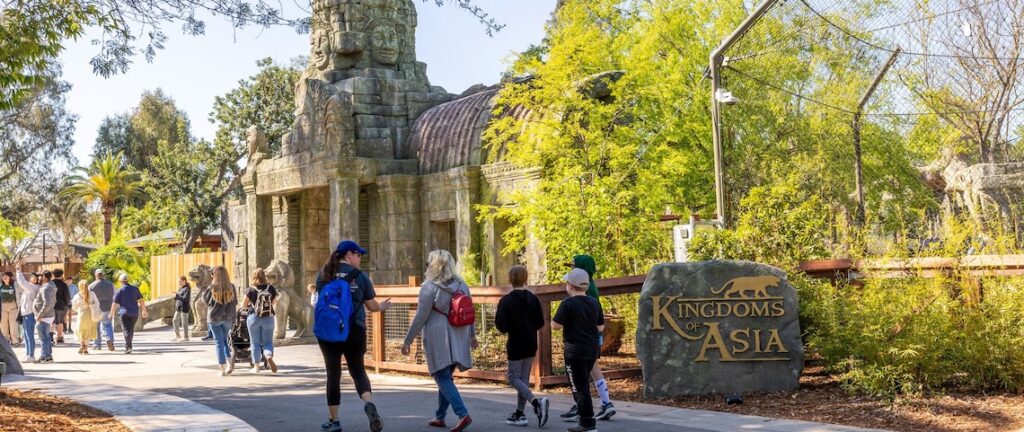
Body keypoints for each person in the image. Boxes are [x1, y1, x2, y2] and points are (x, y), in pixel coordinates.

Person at [315, 240, 391, 432]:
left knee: (333, 373)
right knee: (357, 369)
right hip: (355, 329)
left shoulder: (324, 274)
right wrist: (382, 307)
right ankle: (367, 402)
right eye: (359, 255)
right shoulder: (360, 277)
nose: (360, 258)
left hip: (329, 330)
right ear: (350, 254)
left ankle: (334, 421)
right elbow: (372, 306)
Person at [402, 249, 475, 432]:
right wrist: (472, 336)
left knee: (441, 375)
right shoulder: (462, 285)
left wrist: (407, 340)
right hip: (459, 334)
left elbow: (421, 317)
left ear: (433, 266)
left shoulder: (429, 287)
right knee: (446, 376)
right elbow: (469, 312)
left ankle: (462, 413)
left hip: (438, 335)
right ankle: (440, 417)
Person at [560, 255, 616, 422]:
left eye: (573, 266)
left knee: (581, 373)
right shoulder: (590, 285)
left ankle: (582, 406)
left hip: (583, 339)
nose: (571, 269)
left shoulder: (583, 291)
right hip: (593, 337)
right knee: (592, 368)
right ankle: (605, 402)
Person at [495, 265, 549, 427]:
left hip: (515, 343)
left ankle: (535, 402)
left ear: (510, 280)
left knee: (513, 378)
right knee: (523, 379)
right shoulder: (533, 299)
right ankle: (520, 413)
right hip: (531, 342)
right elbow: (540, 322)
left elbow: (501, 325)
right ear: (526, 279)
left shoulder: (506, 300)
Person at [552, 268, 604, 432]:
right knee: (583, 384)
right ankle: (586, 419)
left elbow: (555, 326)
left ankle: (587, 423)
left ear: (570, 285)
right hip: (592, 349)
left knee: (578, 387)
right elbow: (600, 326)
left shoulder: (567, 303)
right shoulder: (594, 302)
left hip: (575, 351)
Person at [241, 268, 278, 373]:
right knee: (267, 341)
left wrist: (251, 306)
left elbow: (243, 305)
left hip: (253, 317)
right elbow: (274, 301)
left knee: (254, 343)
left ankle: (256, 367)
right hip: (268, 318)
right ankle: (268, 355)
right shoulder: (270, 288)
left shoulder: (250, 289)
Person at [204, 266, 237, 376]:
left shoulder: (212, 287)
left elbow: (206, 301)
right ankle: (229, 362)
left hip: (214, 318)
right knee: (224, 341)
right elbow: (235, 302)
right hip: (228, 318)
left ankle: (222, 368)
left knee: (218, 342)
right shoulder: (231, 286)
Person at [109, 273, 147, 354]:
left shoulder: (119, 290)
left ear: (120, 281)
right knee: (130, 330)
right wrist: (144, 310)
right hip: (134, 312)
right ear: (128, 280)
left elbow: (114, 303)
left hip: (123, 312)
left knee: (126, 330)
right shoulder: (135, 289)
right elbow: (141, 300)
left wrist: (111, 314)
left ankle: (128, 347)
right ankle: (129, 346)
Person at [13, 269, 40, 362]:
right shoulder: (29, 288)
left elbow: (21, 282)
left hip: (29, 314)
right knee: (26, 335)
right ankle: (28, 354)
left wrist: (18, 271)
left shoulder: (33, 287)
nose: (31, 278)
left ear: (36, 280)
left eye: (34, 277)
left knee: (29, 335)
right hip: (26, 314)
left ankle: (31, 355)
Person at [30, 270, 56, 363]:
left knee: (43, 337)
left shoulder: (46, 288)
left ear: (44, 277)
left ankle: (46, 356)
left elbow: (48, 303)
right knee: (46, 337)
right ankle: (46, 355)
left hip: (44, 316)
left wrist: (40, 315)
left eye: (40, 276)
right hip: (46, 316)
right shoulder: (49, 286)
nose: (39, 278)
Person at [89, 269, 116, 351]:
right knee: (107, 325)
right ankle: (109, 339)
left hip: (96, 309)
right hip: (107, 307)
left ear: (95, 275)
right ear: (104, 275)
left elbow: (89, 298)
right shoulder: (111, 285)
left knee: (96, 327)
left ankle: (97, 344)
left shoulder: (91, 286)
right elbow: (115, 295)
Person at [71, 280, 101, 354]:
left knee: (81, 330)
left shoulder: (77, 296)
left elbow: (74, 307)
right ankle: (86, 349)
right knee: (88, 331)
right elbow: (97, 303)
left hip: (81, 314)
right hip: (91, 314)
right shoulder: (92, 294)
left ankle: (82, 344)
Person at [1, 272, 21, 346]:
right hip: (3, 307)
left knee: (13, 324)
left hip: (13, 307)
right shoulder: (1, 285)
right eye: (3, 276)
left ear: (10, 278)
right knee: (3, 325)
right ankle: (6, 341)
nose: (4, 277)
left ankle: (15, 341)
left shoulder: (14, 285)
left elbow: (20, 293)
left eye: (6, 276)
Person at [52, 269, 70, 344]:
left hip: (51, 305)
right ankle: (59, 337)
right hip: (61, 305)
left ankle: (50, 337)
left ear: (53, 275)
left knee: (52, 322)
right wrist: (66, 304)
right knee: (60, 322)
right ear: (62, 275)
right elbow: (67, 296)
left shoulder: (50, 284)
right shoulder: (64, 285)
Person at [173, 276, 192, 342]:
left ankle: (186, 337)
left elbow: (185, 299)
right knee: (175, 320)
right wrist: (176, 296)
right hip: (178, 308)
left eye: (180, 281)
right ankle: (178, 336)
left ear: (184, 281)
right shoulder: (180, 289)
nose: (179, 282)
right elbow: (178, 298)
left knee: (184, 323)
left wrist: (178, 295)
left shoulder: (188, 288)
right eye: (179, 281)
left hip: (184, 308)